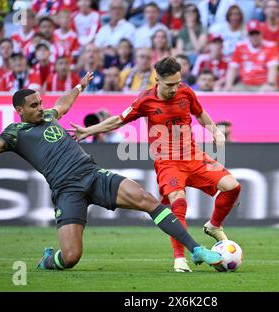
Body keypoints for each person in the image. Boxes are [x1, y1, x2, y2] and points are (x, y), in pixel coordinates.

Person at [0, 72, 222, 271]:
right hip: (67, 190)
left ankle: (196, 250)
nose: (40, 108)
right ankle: (48, 261)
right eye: (33, 106)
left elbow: (63, 105)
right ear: (20, 111)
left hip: (93, 175)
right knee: (71, 257)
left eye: (40, 103)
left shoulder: (49, 117)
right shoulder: (15, 132)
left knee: (147, 200)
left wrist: (79, 87)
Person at [70, 57, 241, 273]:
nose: (174, 88)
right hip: (168, 163)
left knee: (233, 186)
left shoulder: (185, 92)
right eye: (170, 85)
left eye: (178, 83)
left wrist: (215, 130)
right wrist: (88, 131)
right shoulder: (145, 101)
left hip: (194, 156)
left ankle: (214, 225)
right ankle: (180, 258)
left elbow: (200, 114)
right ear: (157, 80)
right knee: (178, 202)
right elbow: (117, 120)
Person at [224, 20, 279, 92]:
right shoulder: (240, 46)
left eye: (257, 33)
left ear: (262, 33)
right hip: (244, 85)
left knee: (270, 91)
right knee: (229, 93)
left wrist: (270, 84)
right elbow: (233, 67)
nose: (254, 36)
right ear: (248, 35)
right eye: (252, 34)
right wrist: (228, 85)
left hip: (263, 85)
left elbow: (273, 67)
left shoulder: (271, 46)